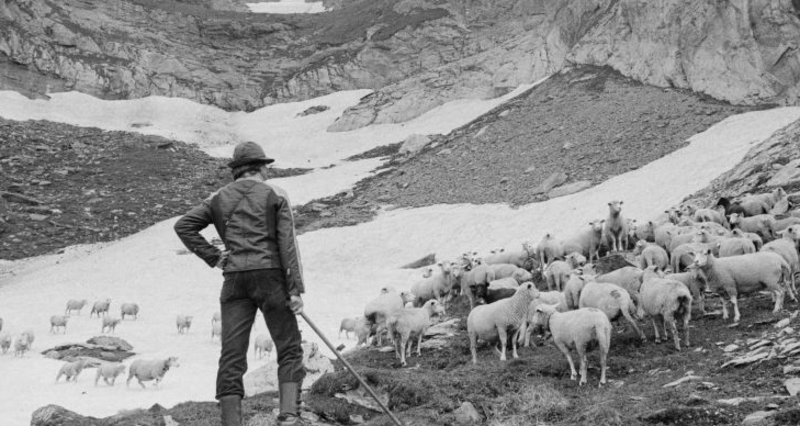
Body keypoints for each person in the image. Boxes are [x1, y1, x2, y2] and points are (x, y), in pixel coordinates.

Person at [174, 141, 306, 426]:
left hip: (234, 280)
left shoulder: (218, 198)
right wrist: (294, 290)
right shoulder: (275, 193)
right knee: (289, 347)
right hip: (270, 277)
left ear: (237, 170)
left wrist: (215, 257)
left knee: (232, 353)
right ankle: (289, 415)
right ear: (260, 167)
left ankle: (232, 422)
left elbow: (183, 225)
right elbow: (288, 245)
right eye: (266, 167)